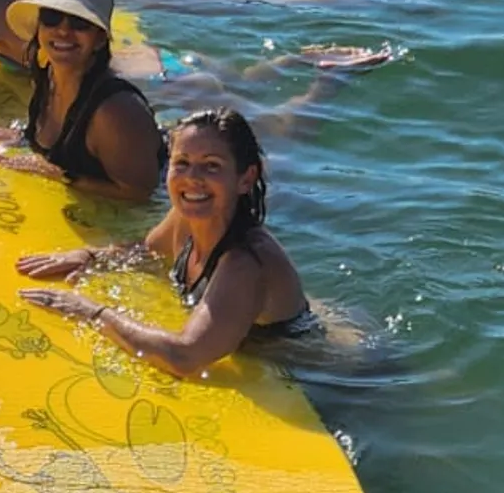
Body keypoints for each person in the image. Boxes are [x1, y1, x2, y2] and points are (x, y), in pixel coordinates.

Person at [15, 108, 308, 370]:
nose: (192, 178)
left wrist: (92, 312)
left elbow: (185, 356)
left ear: (245, 179)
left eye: (212, 166)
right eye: (182, 163)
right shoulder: (187, 219)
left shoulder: (244, 264)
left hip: (309, 374)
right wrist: (90, 256)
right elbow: (146, 252)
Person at [0, 0, 165, 201]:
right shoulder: (46, 73)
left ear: (100, 38)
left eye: (79, 23)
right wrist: (22, 137)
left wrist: (61, 175)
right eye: (52, 18)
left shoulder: (116, 112)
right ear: (39, 28)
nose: (63, 30)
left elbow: (140, 193)